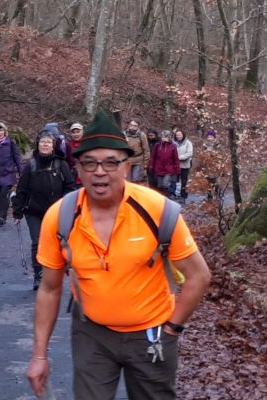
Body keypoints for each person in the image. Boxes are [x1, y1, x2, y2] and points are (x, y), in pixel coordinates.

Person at [26, 112, 213, 400]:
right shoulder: (60, 216)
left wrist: (173, 328)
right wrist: (39, 355)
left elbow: (199, 276)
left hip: (153, 335)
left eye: (111, 162)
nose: (100, 171)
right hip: (92, 335)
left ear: (126, 167)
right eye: (90, 163)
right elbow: (50, 288)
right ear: (78, 167)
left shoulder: (158, 210)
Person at [11, 133, 79, 289]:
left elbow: (69, 187)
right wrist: (17, 211)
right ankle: (38, 275)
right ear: (38, 144)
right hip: (33, 211)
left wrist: (68, 207)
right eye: (43, 142)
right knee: (37, 242)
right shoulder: (31, 165)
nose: (45, 145)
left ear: (53, 145)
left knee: (55, 242)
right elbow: (22, 189)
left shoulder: (61, 165)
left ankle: (53, 271)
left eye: (48, 142)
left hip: (55, 212)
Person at [0, 121, 24, 227]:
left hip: (8, 173)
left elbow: (17, 158)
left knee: (3, 194)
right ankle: (3, 216)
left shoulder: (10, 142)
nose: (0, 133)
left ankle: (1, 216)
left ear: (5, 131)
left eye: (1, 130)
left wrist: (21, 172)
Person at [149, 130, 181, 199]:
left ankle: (167, 198)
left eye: (165, 137)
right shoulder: (157, 145)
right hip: (159, 168)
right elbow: (153, 157)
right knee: (159, 185)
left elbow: (176, 159)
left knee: (165, 184)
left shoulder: (173, 146)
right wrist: (151, 166)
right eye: (163, 137)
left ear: (169, 137)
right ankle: (162, 199)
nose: (164, 138)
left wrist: (177, 170)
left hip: (169, 169)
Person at [122, 119, 149, 185]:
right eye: (131, 125)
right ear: (129, 125)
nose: (132, 127)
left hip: (138, 160)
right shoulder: (124, 134)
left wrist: (145, 164)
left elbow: (146, 150)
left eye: (135, 126)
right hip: (127, 160)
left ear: (138, 127)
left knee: (136, 179)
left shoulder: (141, 135)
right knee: (127, 180)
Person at [175, 129, 194, 200]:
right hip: (175, 165)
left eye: (179, 135)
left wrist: (180, 157)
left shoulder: (188, 143)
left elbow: (189, 153)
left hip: (185, 165)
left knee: (184, 180)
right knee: (175, 180)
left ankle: (183, 194)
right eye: (177, 135)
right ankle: (176, 193)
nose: (178, 136)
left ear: (183, 135)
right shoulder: (174, 143)